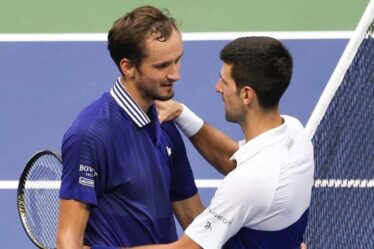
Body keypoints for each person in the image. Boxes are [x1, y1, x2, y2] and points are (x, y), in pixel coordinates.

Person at [133, 36, 315, 248]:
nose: (218, 87)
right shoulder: (294, 133)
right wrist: (182, 114)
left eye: (224, 81)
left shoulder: (247, 184)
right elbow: (234, 160)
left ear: (246, 94)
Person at [56, 5, 204, 249]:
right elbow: (67, 242)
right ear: (128, 67)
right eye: (162, 66)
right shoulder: (91, 135)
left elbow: (193, 219)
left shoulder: (165, 124)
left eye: (178, 60)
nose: (175, 74)